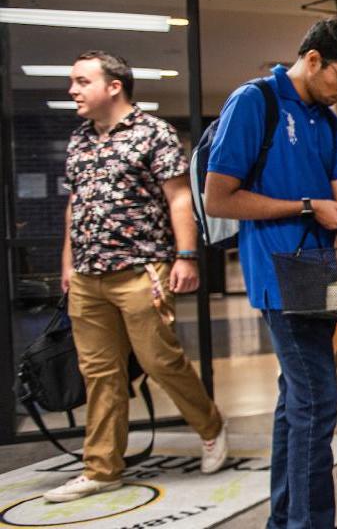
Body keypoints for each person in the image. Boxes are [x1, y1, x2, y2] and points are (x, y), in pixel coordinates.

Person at [203, 17, 337, 529]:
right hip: (281, 278)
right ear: (314, 59)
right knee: (318, 401)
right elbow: (220, 198)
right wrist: (306, 207)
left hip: (323, 277)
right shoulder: (255, 102)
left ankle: (285, 520)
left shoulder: (327, 122)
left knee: (296, 402)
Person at [48, 51, 228, 503]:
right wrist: (68, 261)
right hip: (88, 277)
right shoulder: (79, 140)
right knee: (100, 373)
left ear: (114, 86)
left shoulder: (155, 134)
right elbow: (77, 205)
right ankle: (103, 468)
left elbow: (180, 200)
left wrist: (186, 257)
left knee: (159, 361)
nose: (73, 90)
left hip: (141, 270)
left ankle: (211, 427)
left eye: (81, 81)